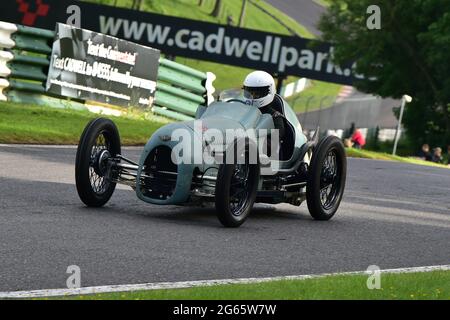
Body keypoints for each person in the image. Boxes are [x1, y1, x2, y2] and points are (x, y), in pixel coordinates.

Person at [242, 71, 286, 139]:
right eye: (250, 93)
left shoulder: (275, 117)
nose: (252, 97)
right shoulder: (241, 111)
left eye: (257, 94)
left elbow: (273, 143)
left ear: (269, 91)